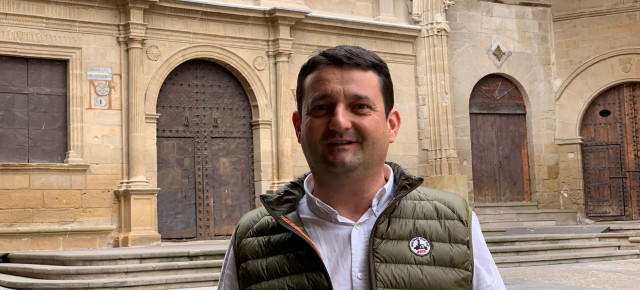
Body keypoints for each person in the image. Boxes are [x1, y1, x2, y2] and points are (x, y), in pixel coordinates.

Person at [219, 45, 505, 289]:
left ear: (391, 126)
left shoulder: (455, 223)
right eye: (321, 108)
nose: (340, 122)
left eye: (360, 107)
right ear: (298, 126)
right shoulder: (252, 239)